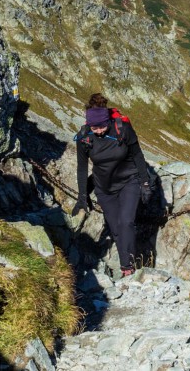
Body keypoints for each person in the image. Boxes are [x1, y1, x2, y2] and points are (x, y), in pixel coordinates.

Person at [72, 93, 153, 276]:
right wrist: (82, 196)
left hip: (128, 181)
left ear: (107, 121)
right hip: (104, 187)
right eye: (94, 127)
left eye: (101, 126)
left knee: (126, 222)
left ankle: (128, 267)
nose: (99, 131)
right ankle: (128, 262)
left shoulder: (122, 129)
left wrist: (145, 183)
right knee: (116, 228)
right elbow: (82, 168)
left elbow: (138, 156)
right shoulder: (85, 138)